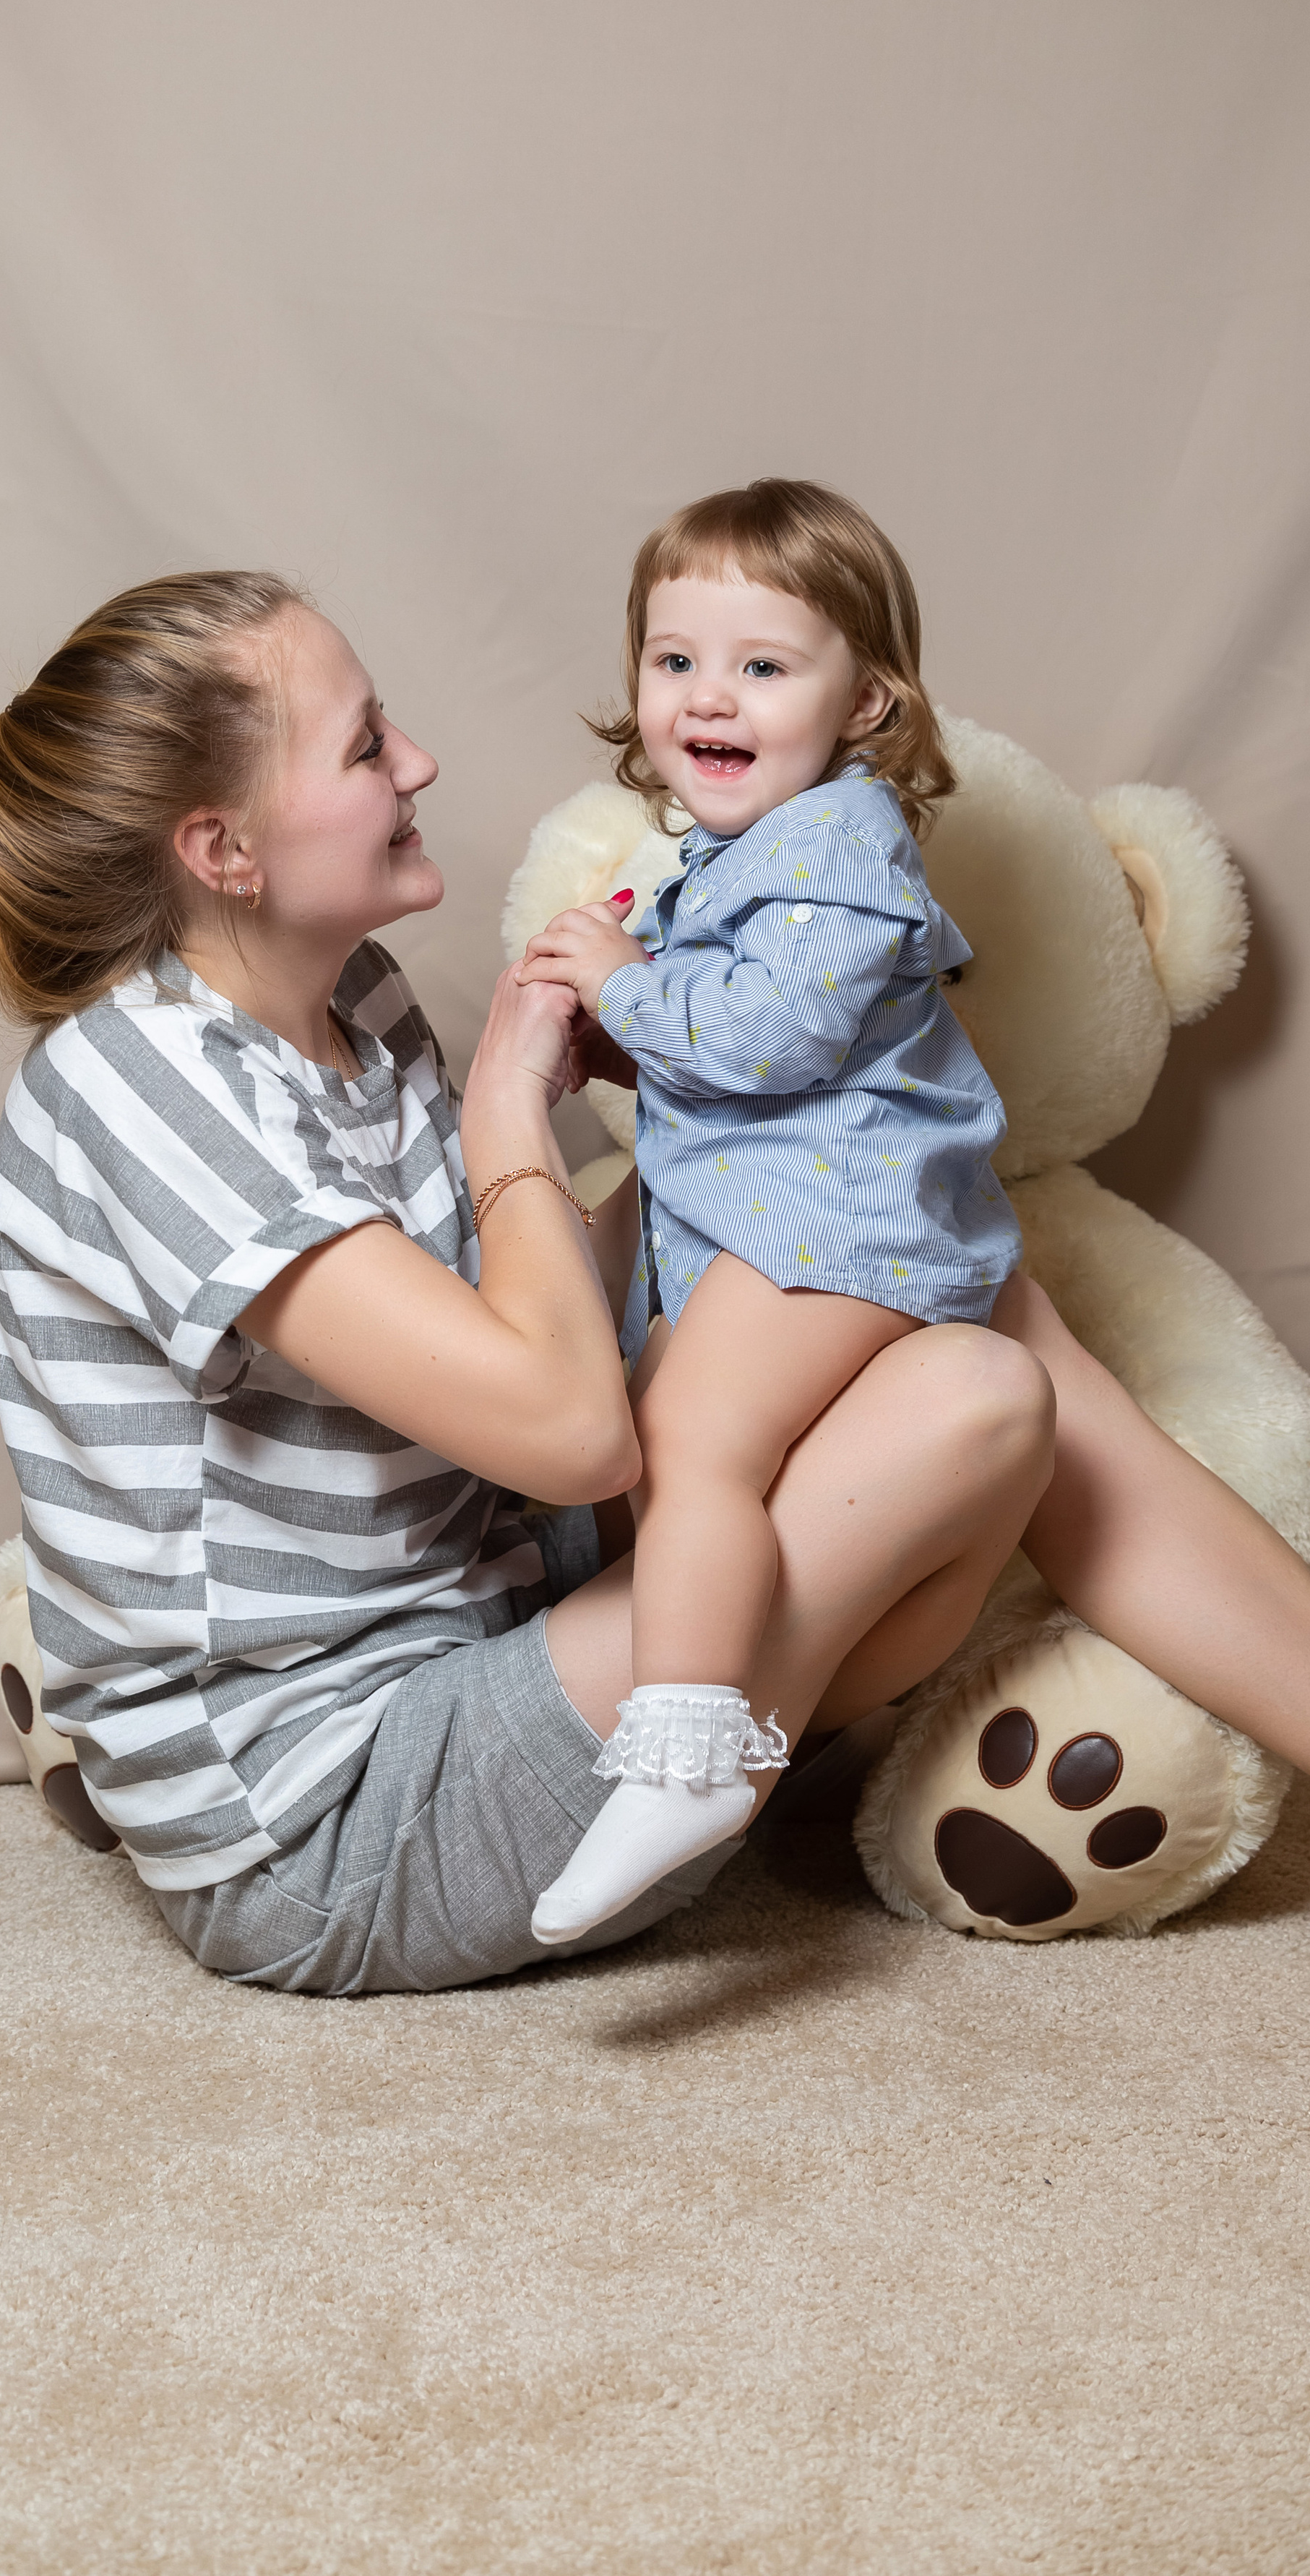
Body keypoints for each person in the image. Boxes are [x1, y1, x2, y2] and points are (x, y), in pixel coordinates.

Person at [0, 558, 1310, 1996]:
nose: (419, 765)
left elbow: (509, 1344)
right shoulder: (137, 1088)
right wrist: (509, 1110)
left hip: (498, 1581)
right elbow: (570, 1430)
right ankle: (674, 1749)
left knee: (899, 1220)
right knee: (974, 1392)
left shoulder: (347, 1003)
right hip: (336, 1823)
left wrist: (718, 1096)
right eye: (368, 749)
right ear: (221, 850)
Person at [517, 482, 1023, 1944]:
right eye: (674, 661)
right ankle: (737, 1718)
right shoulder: (744, 851)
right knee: (662, 1419)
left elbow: (769, 1044)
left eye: (760, 665)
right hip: (788, 1213)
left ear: (865, 699)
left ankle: (686, 1747)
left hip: (842, 1220)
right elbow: (738, 1039)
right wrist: (638, 1026)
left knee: (695, 1440)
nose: (704, 698)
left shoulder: (840, 844)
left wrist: (622, 981)